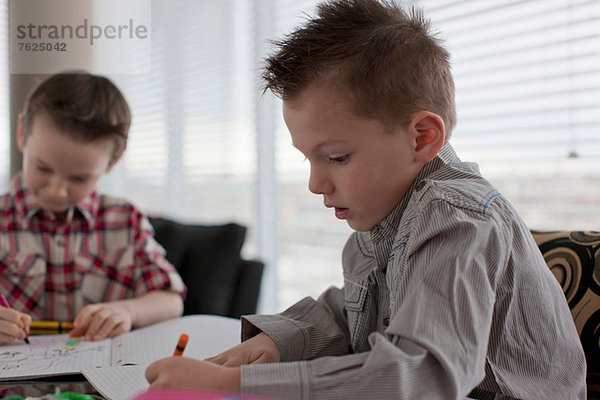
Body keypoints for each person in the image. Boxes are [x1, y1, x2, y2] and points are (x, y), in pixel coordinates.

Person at [145, 0, 587, 398]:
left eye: (337, 157)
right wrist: (277, 341)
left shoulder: (454, 216)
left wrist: (233, 384)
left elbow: (425, 372)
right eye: (308, 160)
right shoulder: (377, 221)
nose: (317, 184)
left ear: (423, 137)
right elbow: (352, 313)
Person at [0, 72, 185, 346]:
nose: (56, 190)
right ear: (21, 134)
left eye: (79, 178)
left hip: (102, 386)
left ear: (113, 161)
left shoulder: (124, 220)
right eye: (42, 168)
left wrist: (128, 311)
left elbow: (171, 301)